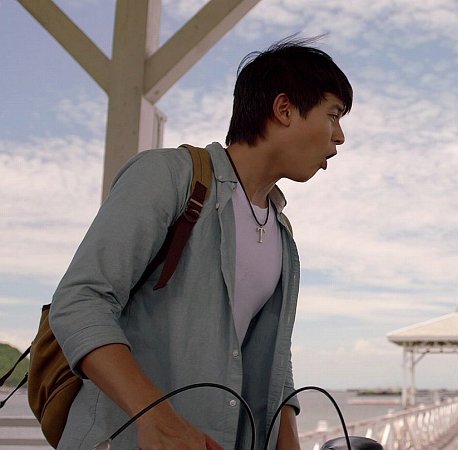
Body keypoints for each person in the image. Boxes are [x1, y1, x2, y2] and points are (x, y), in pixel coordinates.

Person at [49, 36, 352, 450]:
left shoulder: (282, 232)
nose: (340, 137)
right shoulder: (169, 176)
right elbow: (80, 301)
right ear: (284, 109)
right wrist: (156, 418)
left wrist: (289, 442)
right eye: (333, 115)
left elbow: (275, 361)